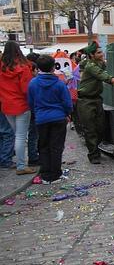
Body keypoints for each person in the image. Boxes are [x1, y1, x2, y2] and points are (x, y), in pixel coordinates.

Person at [77, 42, 114, 164]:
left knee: (100, 128)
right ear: (92, 55)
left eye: (101, 51)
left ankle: (95, 149)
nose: (102, 54)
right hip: (86, 100)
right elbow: (107, 78)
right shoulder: (91, 66)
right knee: (90, 129)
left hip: (96, 99)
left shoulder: (98, 63)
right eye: (98, 52)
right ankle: (93, 155)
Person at [27, 55, 73, 184]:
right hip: (58, 117)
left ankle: (46, 175)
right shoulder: (59, 84)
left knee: (43, 146)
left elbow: (31, 102)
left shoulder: (33, 83)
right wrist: (67, 113)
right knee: (56, 146)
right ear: (54, 67)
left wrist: (37, 113)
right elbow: (67, 103)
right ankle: (56, 174)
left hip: (41, 118)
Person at [0, 41, 35, 174]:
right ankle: (21, 166)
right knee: (21, 136)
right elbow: (26, 89)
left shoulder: (1, 67)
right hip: (21, 105)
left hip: (6, 105)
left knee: (16, 135)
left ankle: (18, 162)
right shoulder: (23, 67)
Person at [25, 52, 40, 166]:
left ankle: (34, 155)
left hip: (27, 109)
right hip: (34, 111)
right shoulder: (33, 82)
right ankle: (33, 157)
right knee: (33, 134)